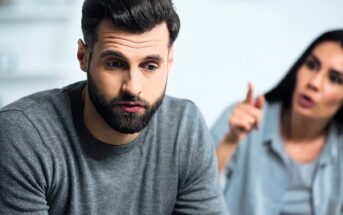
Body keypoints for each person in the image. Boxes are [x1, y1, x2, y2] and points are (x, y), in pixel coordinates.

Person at [0, 0, 229, 214]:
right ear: (83, 57)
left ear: (169, 62)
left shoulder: (184, 128)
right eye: (115, 64)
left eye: (150, 66)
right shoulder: (23, 135)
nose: (133, 87)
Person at [211, 30, 343, 215]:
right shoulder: (243, 117)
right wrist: (230, 141)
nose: (314, 82)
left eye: (335, 79)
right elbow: (192, 195)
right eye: (312, 65)